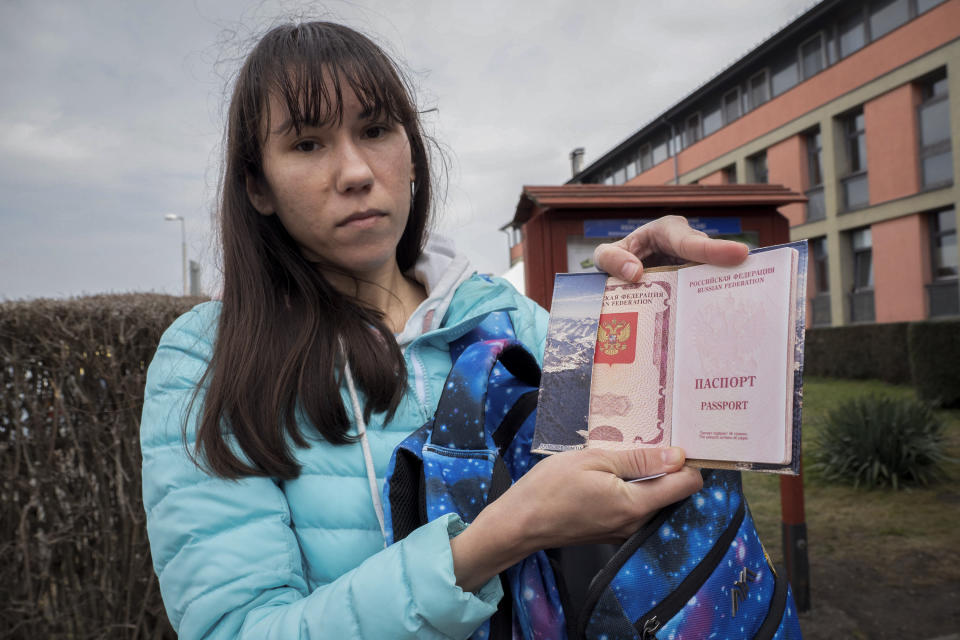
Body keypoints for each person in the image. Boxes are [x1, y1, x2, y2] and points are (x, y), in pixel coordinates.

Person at [140, 21, 749, 640]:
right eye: (306, 144)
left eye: (375, 130)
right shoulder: (209, 358)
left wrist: (662, 309)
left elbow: (659, 456)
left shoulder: (506, 318)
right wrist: (498, 539)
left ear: (411, 151)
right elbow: (237, 628)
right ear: (257, 186)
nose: (354, 171)